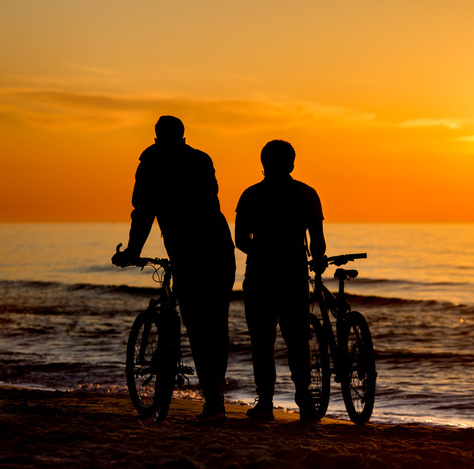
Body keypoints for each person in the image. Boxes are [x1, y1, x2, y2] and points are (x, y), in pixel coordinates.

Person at [112, 115, 235, 424]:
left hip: (187, 249)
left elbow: (143, 212)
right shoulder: (201, 159)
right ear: (183, 135)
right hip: (219, 245)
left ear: (157, 136)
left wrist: (132, 253)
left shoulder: (151, 161)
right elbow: (210, 202)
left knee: (196, 323)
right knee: (217, 323)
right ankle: (215, 396)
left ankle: (214, 402)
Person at [235, 140, 326, 422]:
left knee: (262, 340)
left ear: (263, 164)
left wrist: (263, 249)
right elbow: (318, 242)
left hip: (260, 273)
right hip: (293, 274)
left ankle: (265, 403)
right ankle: (305, 401)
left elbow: (240, 241)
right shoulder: (307, 194)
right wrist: (317, 259)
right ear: (292, 164)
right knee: (297, 339)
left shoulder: (250, 195)